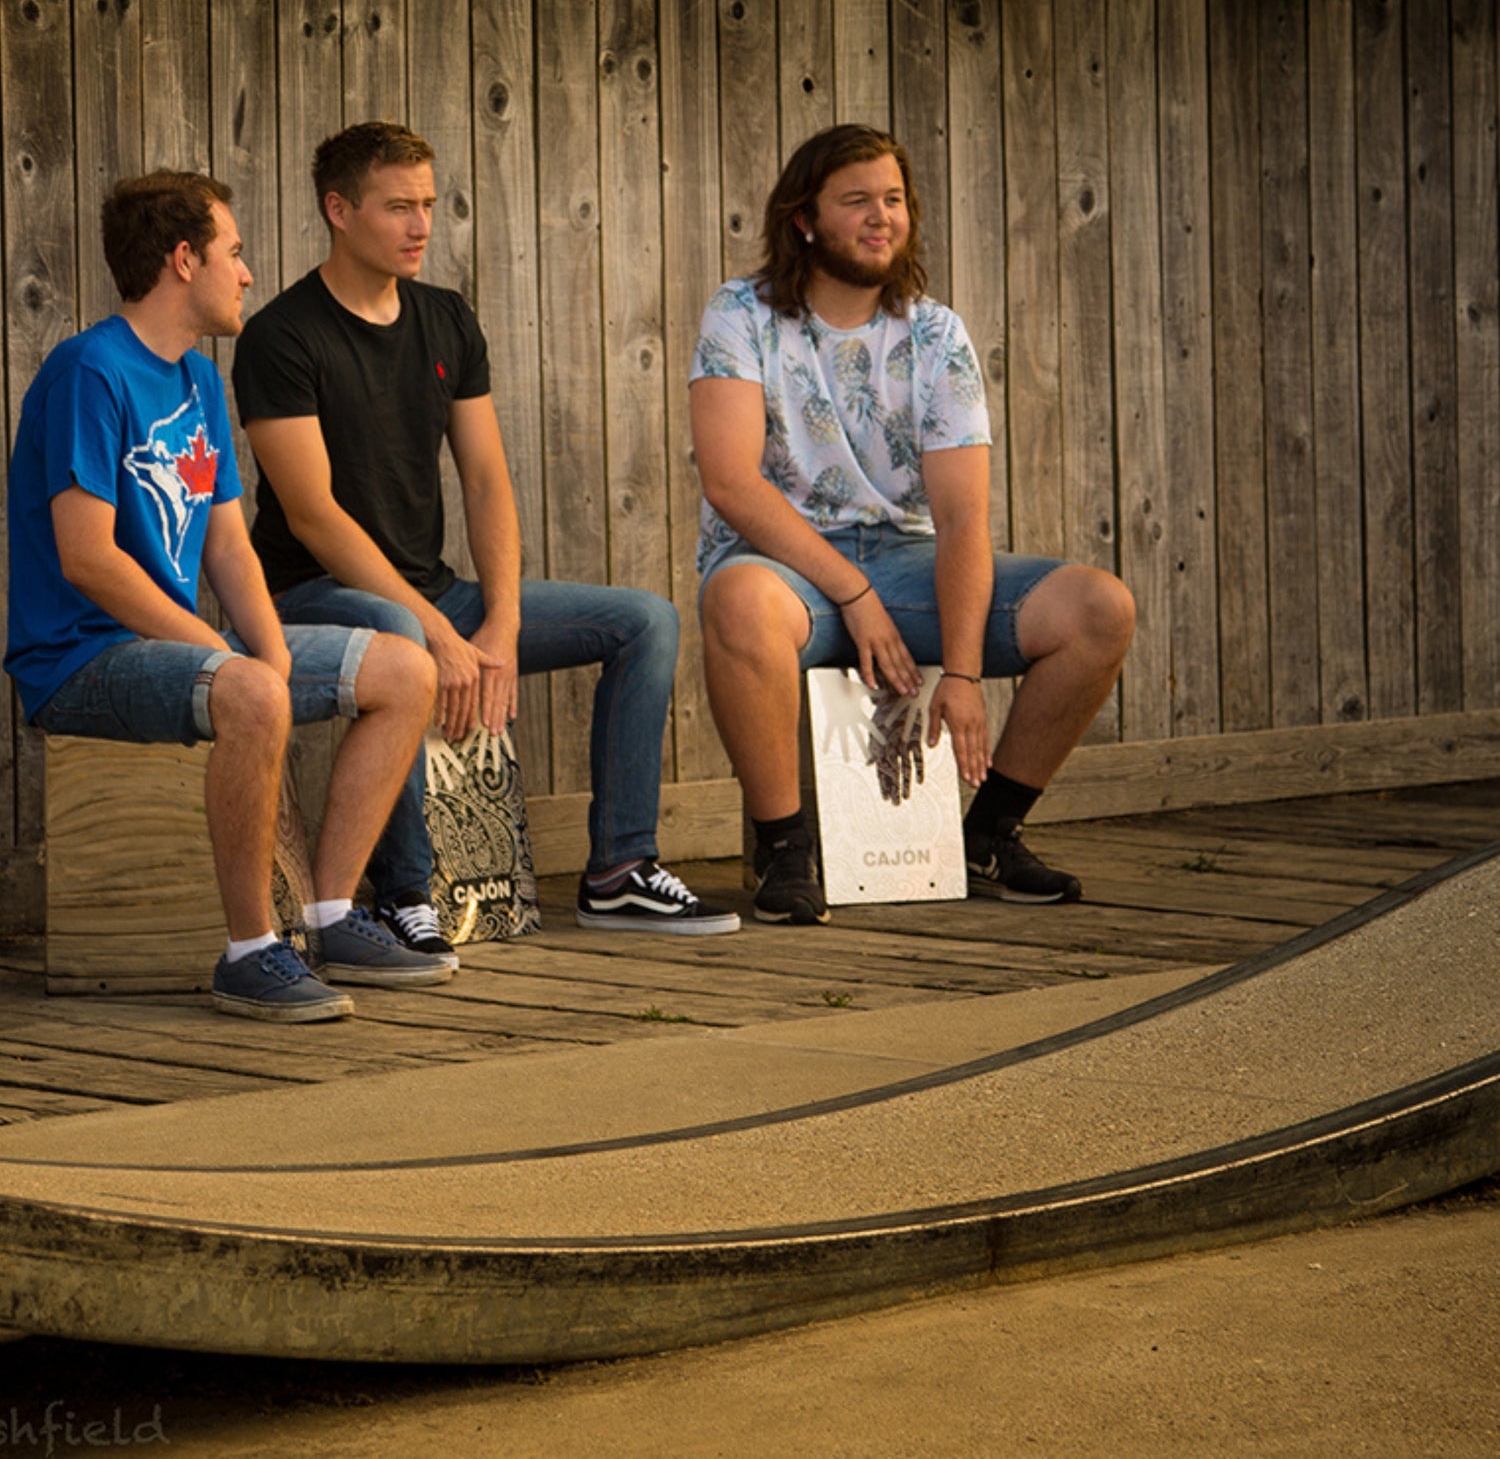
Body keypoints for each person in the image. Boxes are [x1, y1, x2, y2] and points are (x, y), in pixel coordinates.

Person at [232, 121, 739, 955]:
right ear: (339, 210)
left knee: (644, 620)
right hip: (314, 597)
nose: (421, 225)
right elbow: (316, 516)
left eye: (428, 205)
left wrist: (495, 624)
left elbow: (486, 480)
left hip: (436, 592)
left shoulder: (446, 319)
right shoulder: (283, 337)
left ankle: (618, 871)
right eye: (398, 207)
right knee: (397, 633)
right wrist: (435, 633)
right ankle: (404, 895)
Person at [4, 171, 450, 1020]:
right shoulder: (89, 373)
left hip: (173, 651)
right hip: (81, 659)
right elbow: (88, 560)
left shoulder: (200, 382)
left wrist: (272, 655)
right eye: (234, 253)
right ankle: (249, 952)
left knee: (405, 671)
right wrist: (227, 659)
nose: (247, 273)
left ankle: (329, 914)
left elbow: (229, 545)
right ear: (183, 259)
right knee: (246, 688)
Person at [689, 124, 1136, 925]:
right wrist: (851, 592)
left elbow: (963, 515)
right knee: (738, 602)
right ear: (805, 219)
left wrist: (961, 675)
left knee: (1098, 609)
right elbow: (730, 482)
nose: (880, 217)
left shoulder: (935, 334)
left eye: (893, 200)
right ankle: (786, 851)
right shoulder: (741, 314)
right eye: (856, 200)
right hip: (786, 568)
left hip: (906, 564)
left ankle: (988, 836)